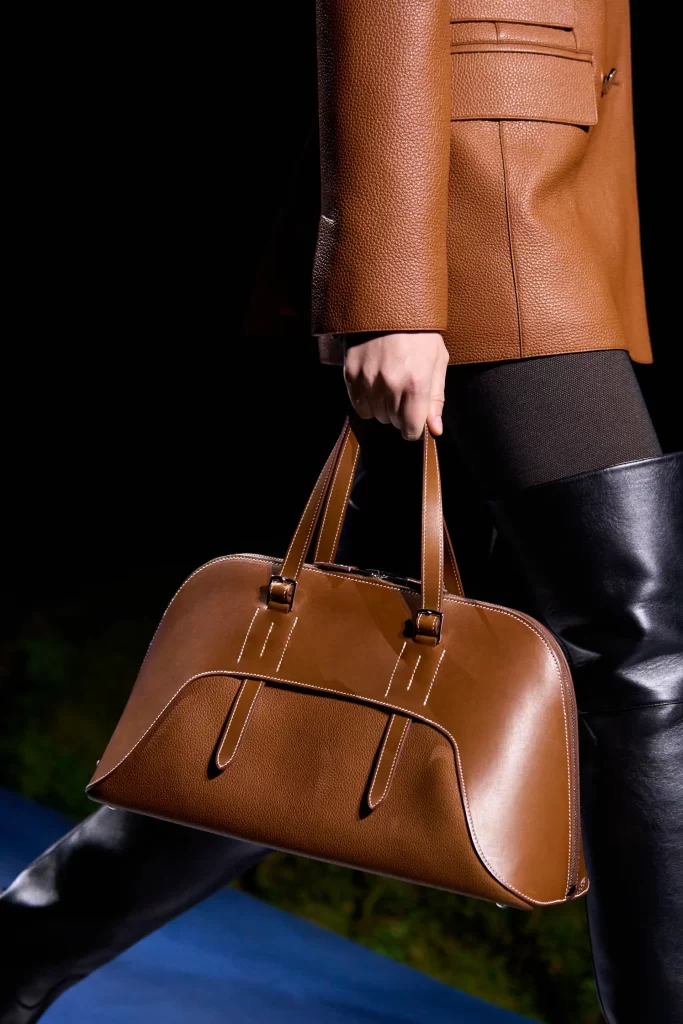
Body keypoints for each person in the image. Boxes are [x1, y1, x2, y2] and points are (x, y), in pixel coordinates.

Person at [2, 3, 681, 1023]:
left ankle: (15, 954)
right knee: (640, 660)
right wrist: (392, 292)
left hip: (529, 174)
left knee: (327, 669)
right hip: (481, 192)